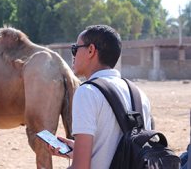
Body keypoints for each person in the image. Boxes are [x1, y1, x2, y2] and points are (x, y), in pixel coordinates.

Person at [49, 25, 152, 169]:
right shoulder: (139, 94)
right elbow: (132, 152)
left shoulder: (87, 92)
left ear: (91, 50)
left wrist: (78, 158)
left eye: (75, 49)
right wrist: (78, 150)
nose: (73, 55)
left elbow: (81, 167)